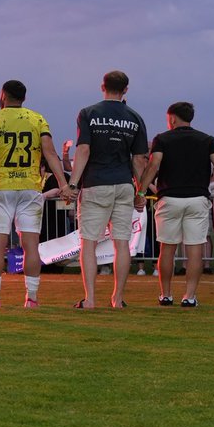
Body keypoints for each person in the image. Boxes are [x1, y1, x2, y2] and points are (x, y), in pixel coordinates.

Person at [0, 80, 73, 308]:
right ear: (24, 98)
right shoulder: (37, 119)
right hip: (29, 187)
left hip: (2, 186)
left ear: (2, 96)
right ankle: (31, 298)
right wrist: (64, 184)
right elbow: (51, 154)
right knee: (31, 246)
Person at [136, 102, 214, 307]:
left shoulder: (162, 139)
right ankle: (189, 296)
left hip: (169, 198)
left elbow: (154, 166)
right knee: (195, 247)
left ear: (172, 118)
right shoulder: (207, 140)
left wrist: (140, 191)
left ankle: (166, 294)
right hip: (197, 198)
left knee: (167, 248)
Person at [68, 71, 148, 309]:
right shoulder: (135, 117)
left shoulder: (89, 113)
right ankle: (118, 298)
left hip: (96, 182)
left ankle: (90, 299)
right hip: (123, 184)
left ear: (103, 86)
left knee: (89, 243)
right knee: (122, 243)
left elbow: (83, 150)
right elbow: (139, 159)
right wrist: (140, 191)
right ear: (126, 89)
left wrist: (73, 183)